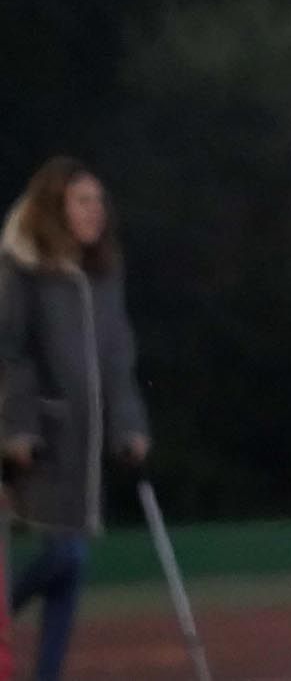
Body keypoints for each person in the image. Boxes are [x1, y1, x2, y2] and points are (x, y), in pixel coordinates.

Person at [0, 158, 149, 681]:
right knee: (66, 555)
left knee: (73, 562)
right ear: (55, 208)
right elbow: (10, 352)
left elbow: (117, 357)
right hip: (40, 437)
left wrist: (129, 424)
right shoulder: (24, 267)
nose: (96, 211)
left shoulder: (102, 271)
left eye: (99, 201)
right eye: (83, 201)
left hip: (83, 443)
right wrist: (16, 429)